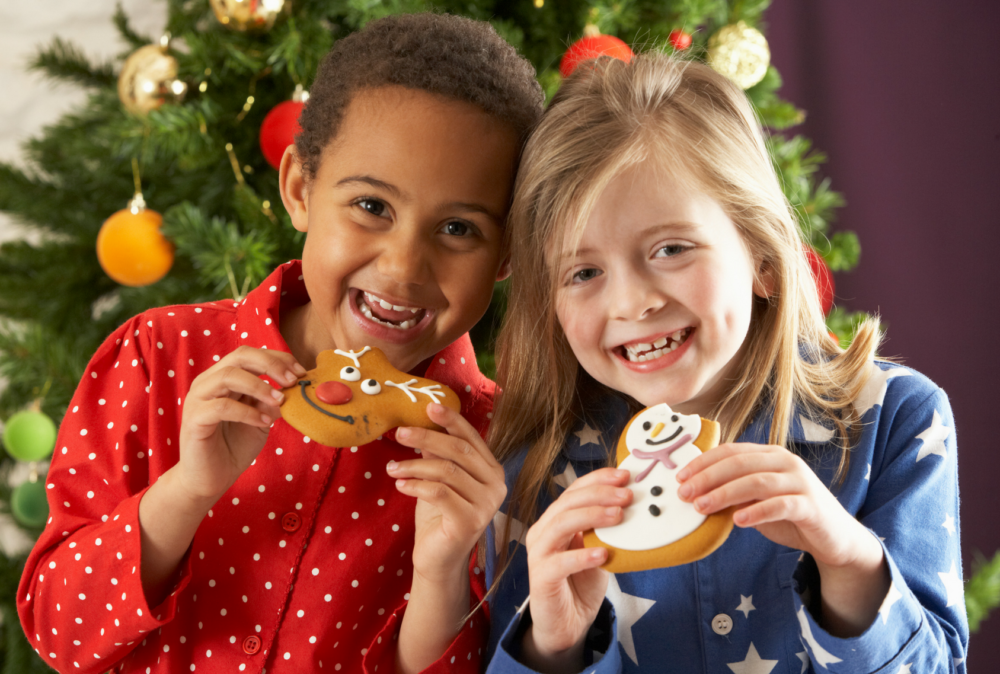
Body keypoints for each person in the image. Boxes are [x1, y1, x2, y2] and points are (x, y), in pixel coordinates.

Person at [18, 13, 543, 674]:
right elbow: (58, 631)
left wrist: (440, 571)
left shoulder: (498, 451)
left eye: (460, 229)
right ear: (300, 189)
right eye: (372, 207)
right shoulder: (157, 357)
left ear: (507, 254)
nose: (405, 266)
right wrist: (186, 491)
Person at [483, 54, 967, 674]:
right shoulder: (536, 472)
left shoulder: (895, 419)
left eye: (671, 248)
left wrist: (847, 560)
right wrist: (552, 645)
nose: (633, 302)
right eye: (584, 273)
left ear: (763, 258)